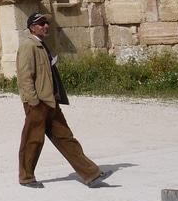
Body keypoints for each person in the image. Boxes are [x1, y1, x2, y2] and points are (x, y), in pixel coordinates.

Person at [17, 12, 110, 188]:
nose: (46, 26)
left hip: (50, 101)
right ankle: (26, 177)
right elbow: (24, 76)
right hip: (38, 103)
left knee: (66, 138)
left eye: (46, 23)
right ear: (32, 27)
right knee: (33, 140)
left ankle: (91, 173)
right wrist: (33, 101)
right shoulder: (28, 46)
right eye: (41, 23)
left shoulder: (41, 44)